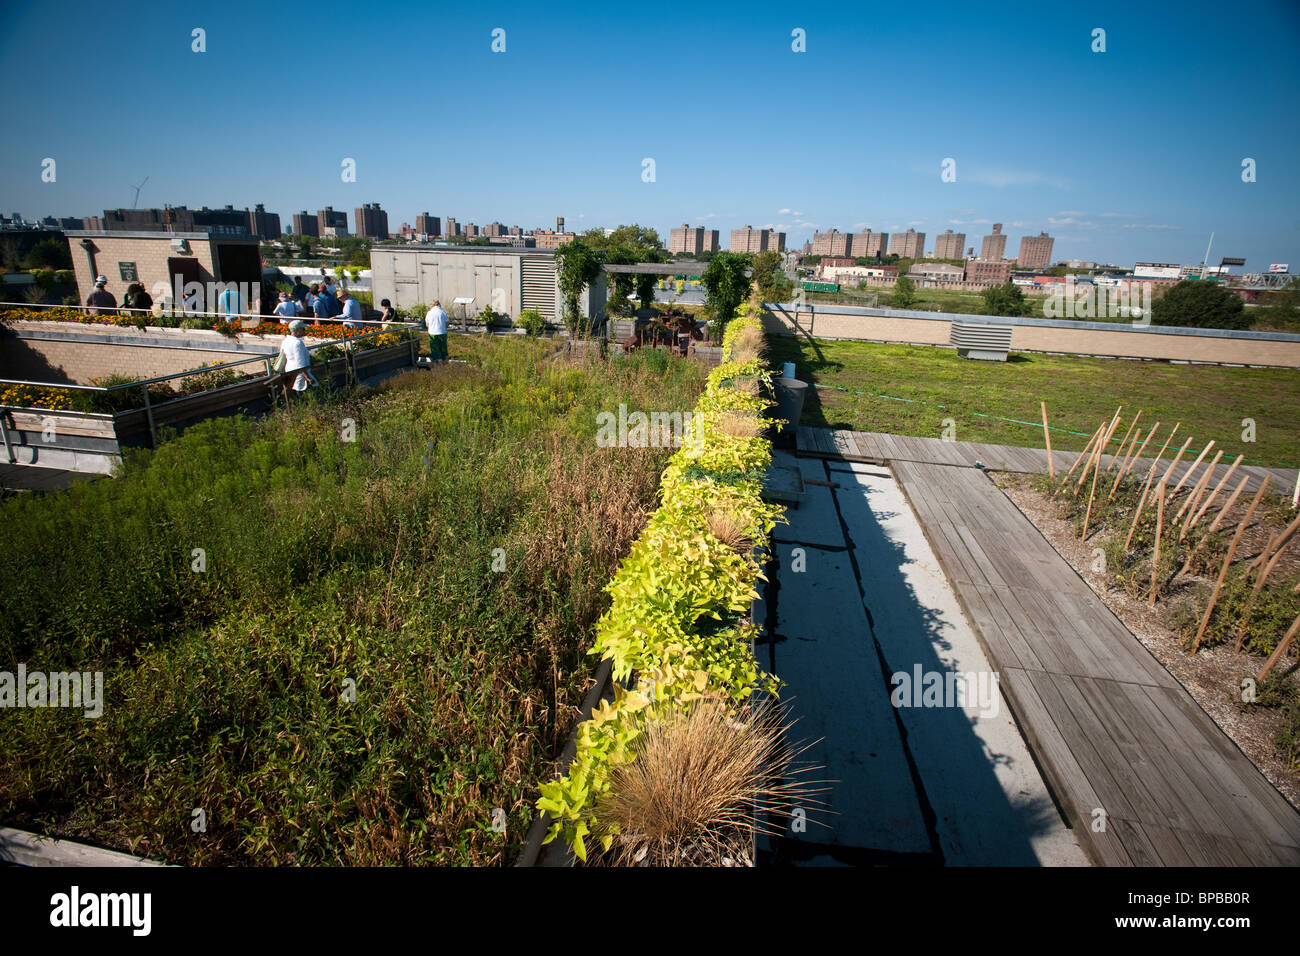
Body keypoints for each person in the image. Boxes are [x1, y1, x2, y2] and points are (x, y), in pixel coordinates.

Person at [273, 319, 318, 400]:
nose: (305, 331)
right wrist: (308, 377)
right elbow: (300, 362)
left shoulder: (286, 341)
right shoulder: (298, 343)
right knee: (305, 396)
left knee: (293, 395)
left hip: (289, 371)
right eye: (303, 329)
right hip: (300, 374)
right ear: (297, 330)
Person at [425, 299, 449, 364]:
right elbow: (447, 324)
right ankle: (445, 361)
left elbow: (427, 324)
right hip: (442, 332)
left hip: (432, 333)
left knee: (435, 348)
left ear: (431, 305)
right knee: (443, 348)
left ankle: (437, 363)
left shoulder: (429, 312)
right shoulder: (443, 312)